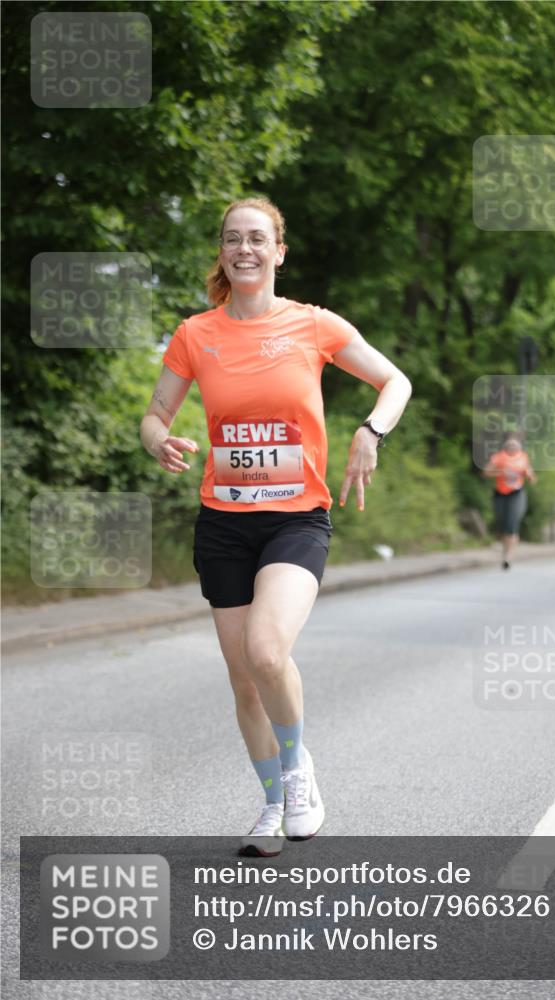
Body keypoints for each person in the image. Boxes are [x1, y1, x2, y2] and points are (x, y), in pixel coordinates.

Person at [139, 196, 411, 857]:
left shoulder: (312, 326)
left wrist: (370, 431)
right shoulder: (195, 334)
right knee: (242, 680)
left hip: (295, 519)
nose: (244, 249)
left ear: (278, 252)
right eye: (233, 239)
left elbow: (394, 381)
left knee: (266, 652)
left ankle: (295, 774)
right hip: (224, 524)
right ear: (223, 252)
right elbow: (154, 416)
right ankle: (270, 804)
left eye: (257, 239)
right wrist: (158, 442)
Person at [482, 431, 536, 569]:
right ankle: (504, 551)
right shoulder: (498, 457)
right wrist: (501, 472)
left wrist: (529, 475)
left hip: (517, 494)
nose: (513, 446)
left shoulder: (523, 457)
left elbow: (532, 478)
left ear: (519, 445)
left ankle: (508, 557)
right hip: (500, 493)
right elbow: (486, 472)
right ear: (506, 445)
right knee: (502, 522)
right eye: (510, 444)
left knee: (512, 523)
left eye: (515, 444)